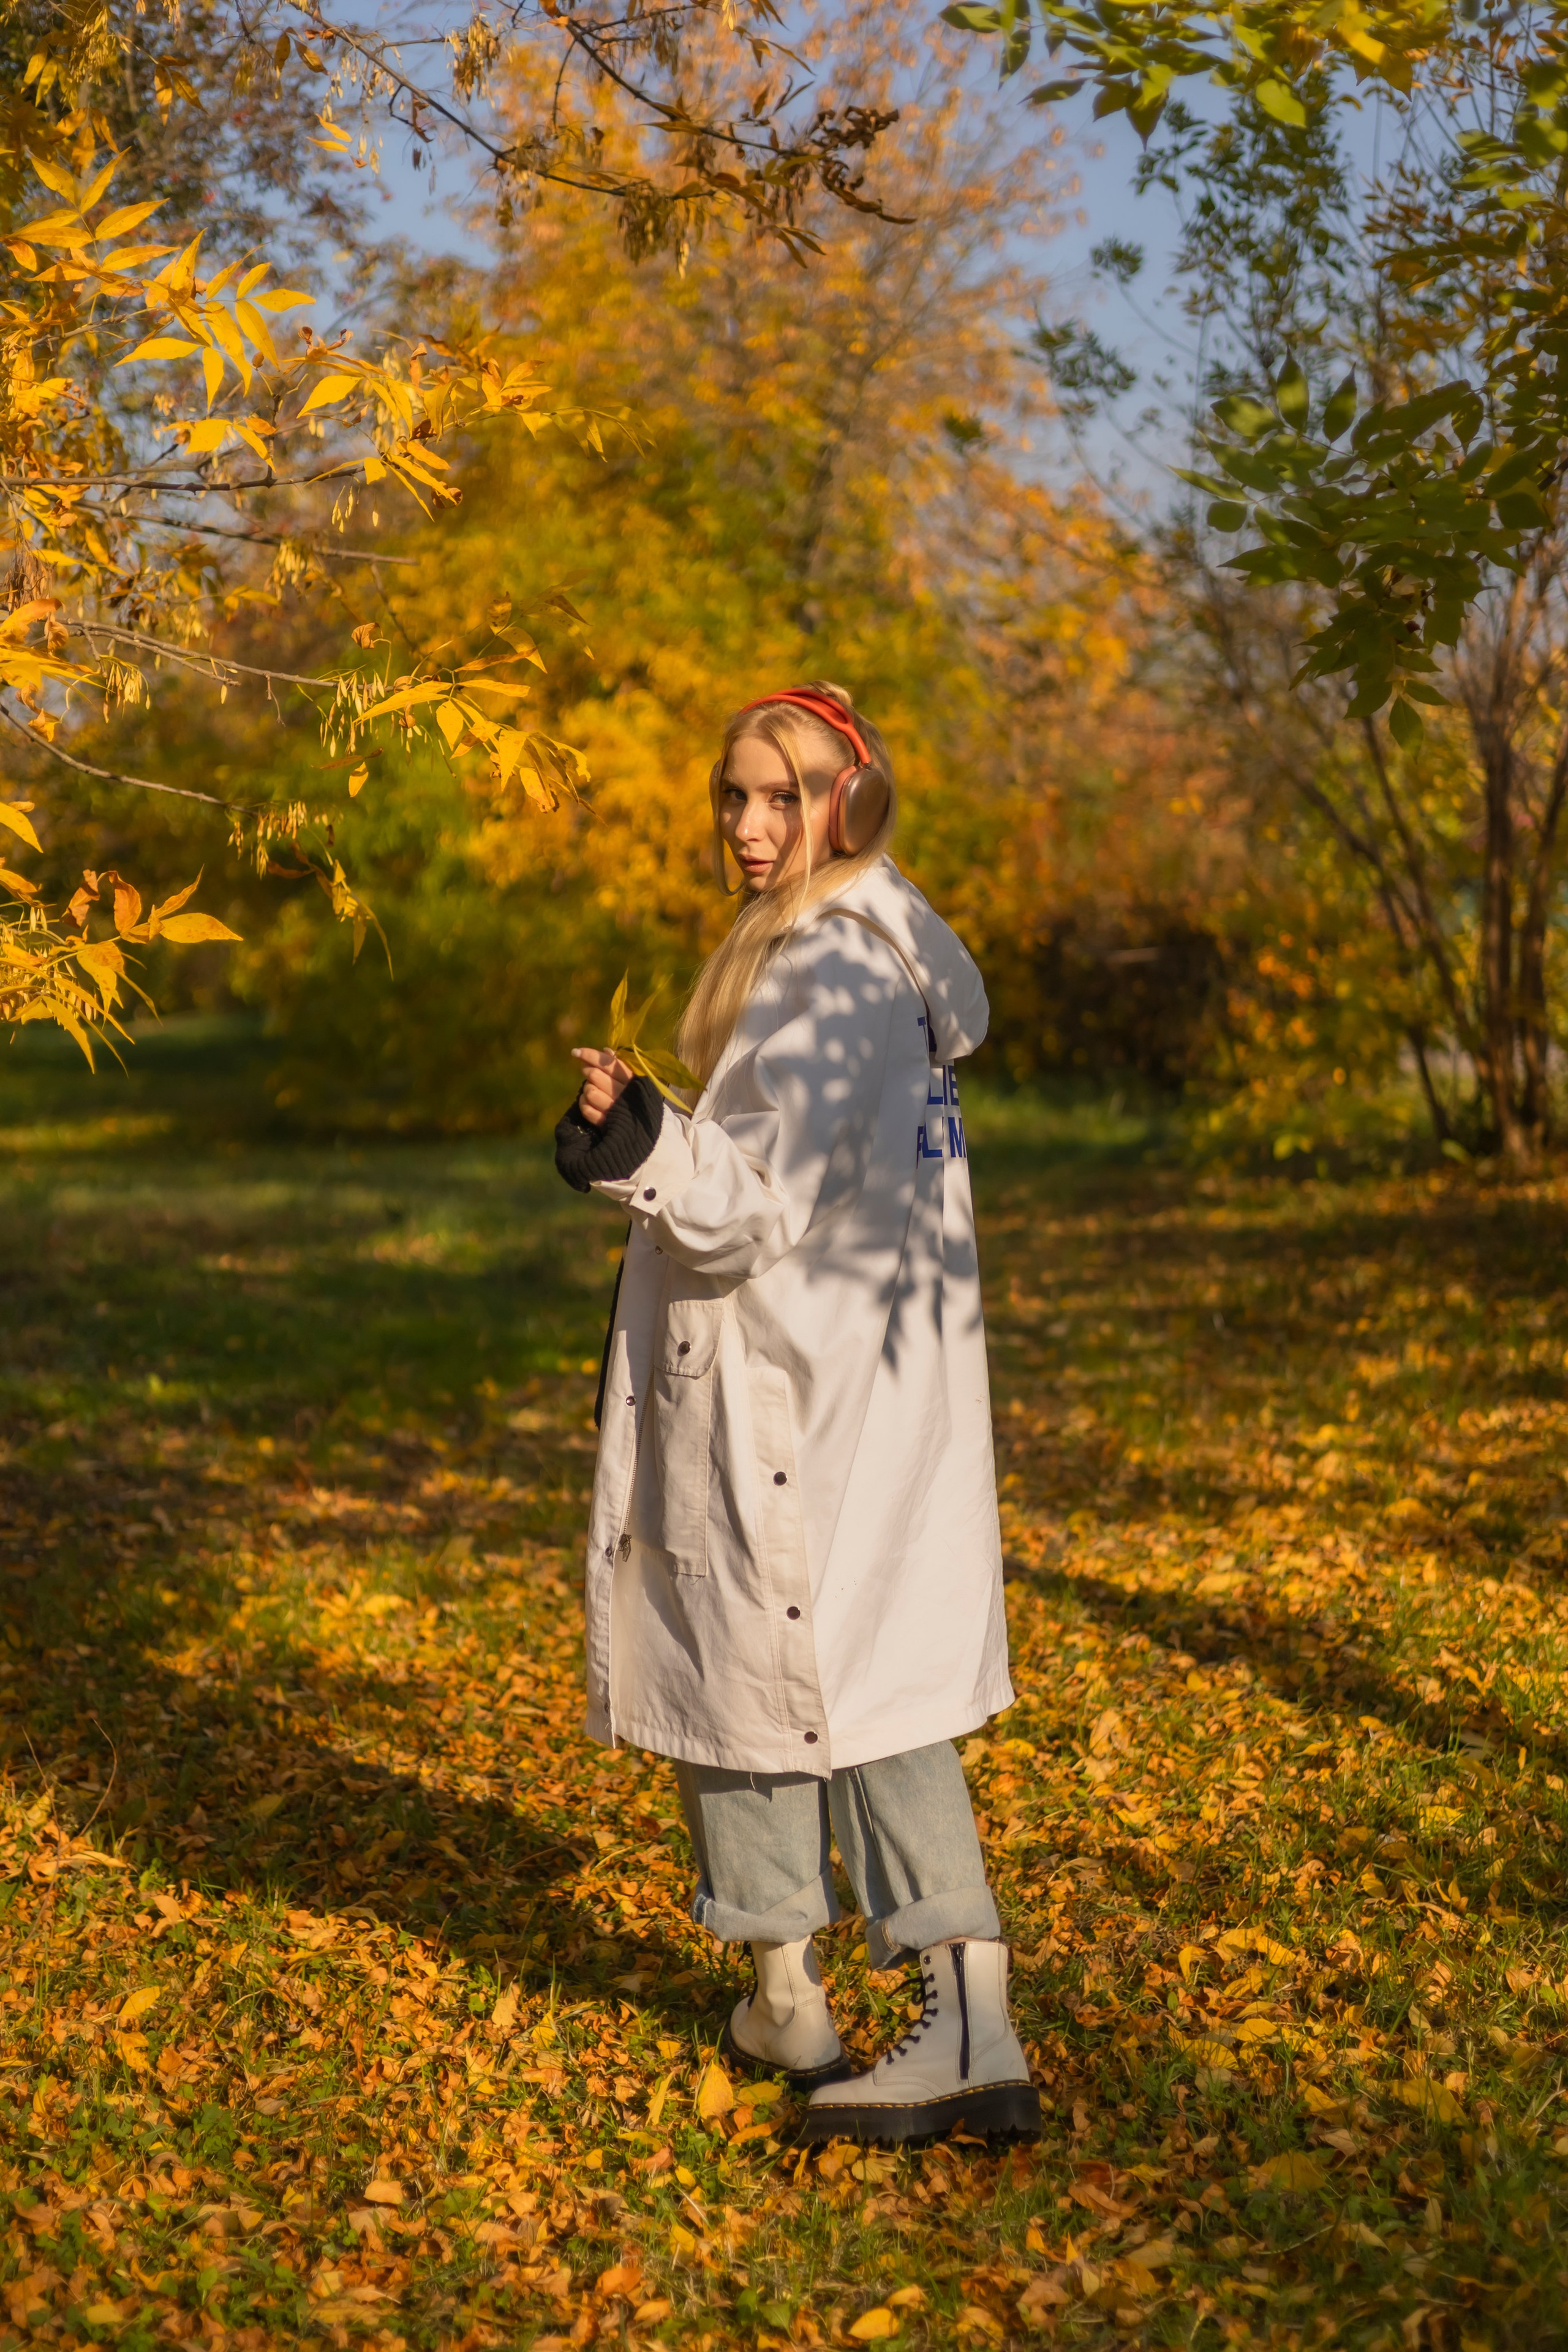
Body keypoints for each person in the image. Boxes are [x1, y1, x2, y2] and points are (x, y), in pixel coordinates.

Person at [554, 682, 1038, 2146]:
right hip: (860, 1374)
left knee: (802, 1672)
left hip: (792, 1380)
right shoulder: (869, 956)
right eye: (733, 796)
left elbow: (749, 1209)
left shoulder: (825, 968)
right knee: (809, 1671)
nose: (752, 827)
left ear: (852, 801)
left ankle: (940, 2019)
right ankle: (805, 1996)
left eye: (786, 796)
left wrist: (631, 1145)